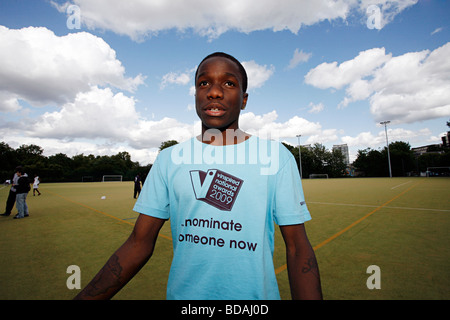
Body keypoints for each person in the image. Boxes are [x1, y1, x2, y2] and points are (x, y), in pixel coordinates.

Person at [74, 52, 322, 300]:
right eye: (204, 83)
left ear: (244, 99)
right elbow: (139, 243)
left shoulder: (275, 157)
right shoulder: (169, 159)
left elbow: (298, 249)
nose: (214, 92)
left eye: (228, 83)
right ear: (195, 96)